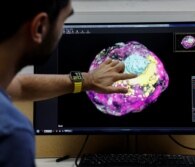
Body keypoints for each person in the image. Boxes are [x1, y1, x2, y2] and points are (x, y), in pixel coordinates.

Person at [0, 0, 136, 166]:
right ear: (39, 28)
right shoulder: (11, 135)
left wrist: (88, 80)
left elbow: (20, 86)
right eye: (64, 21)